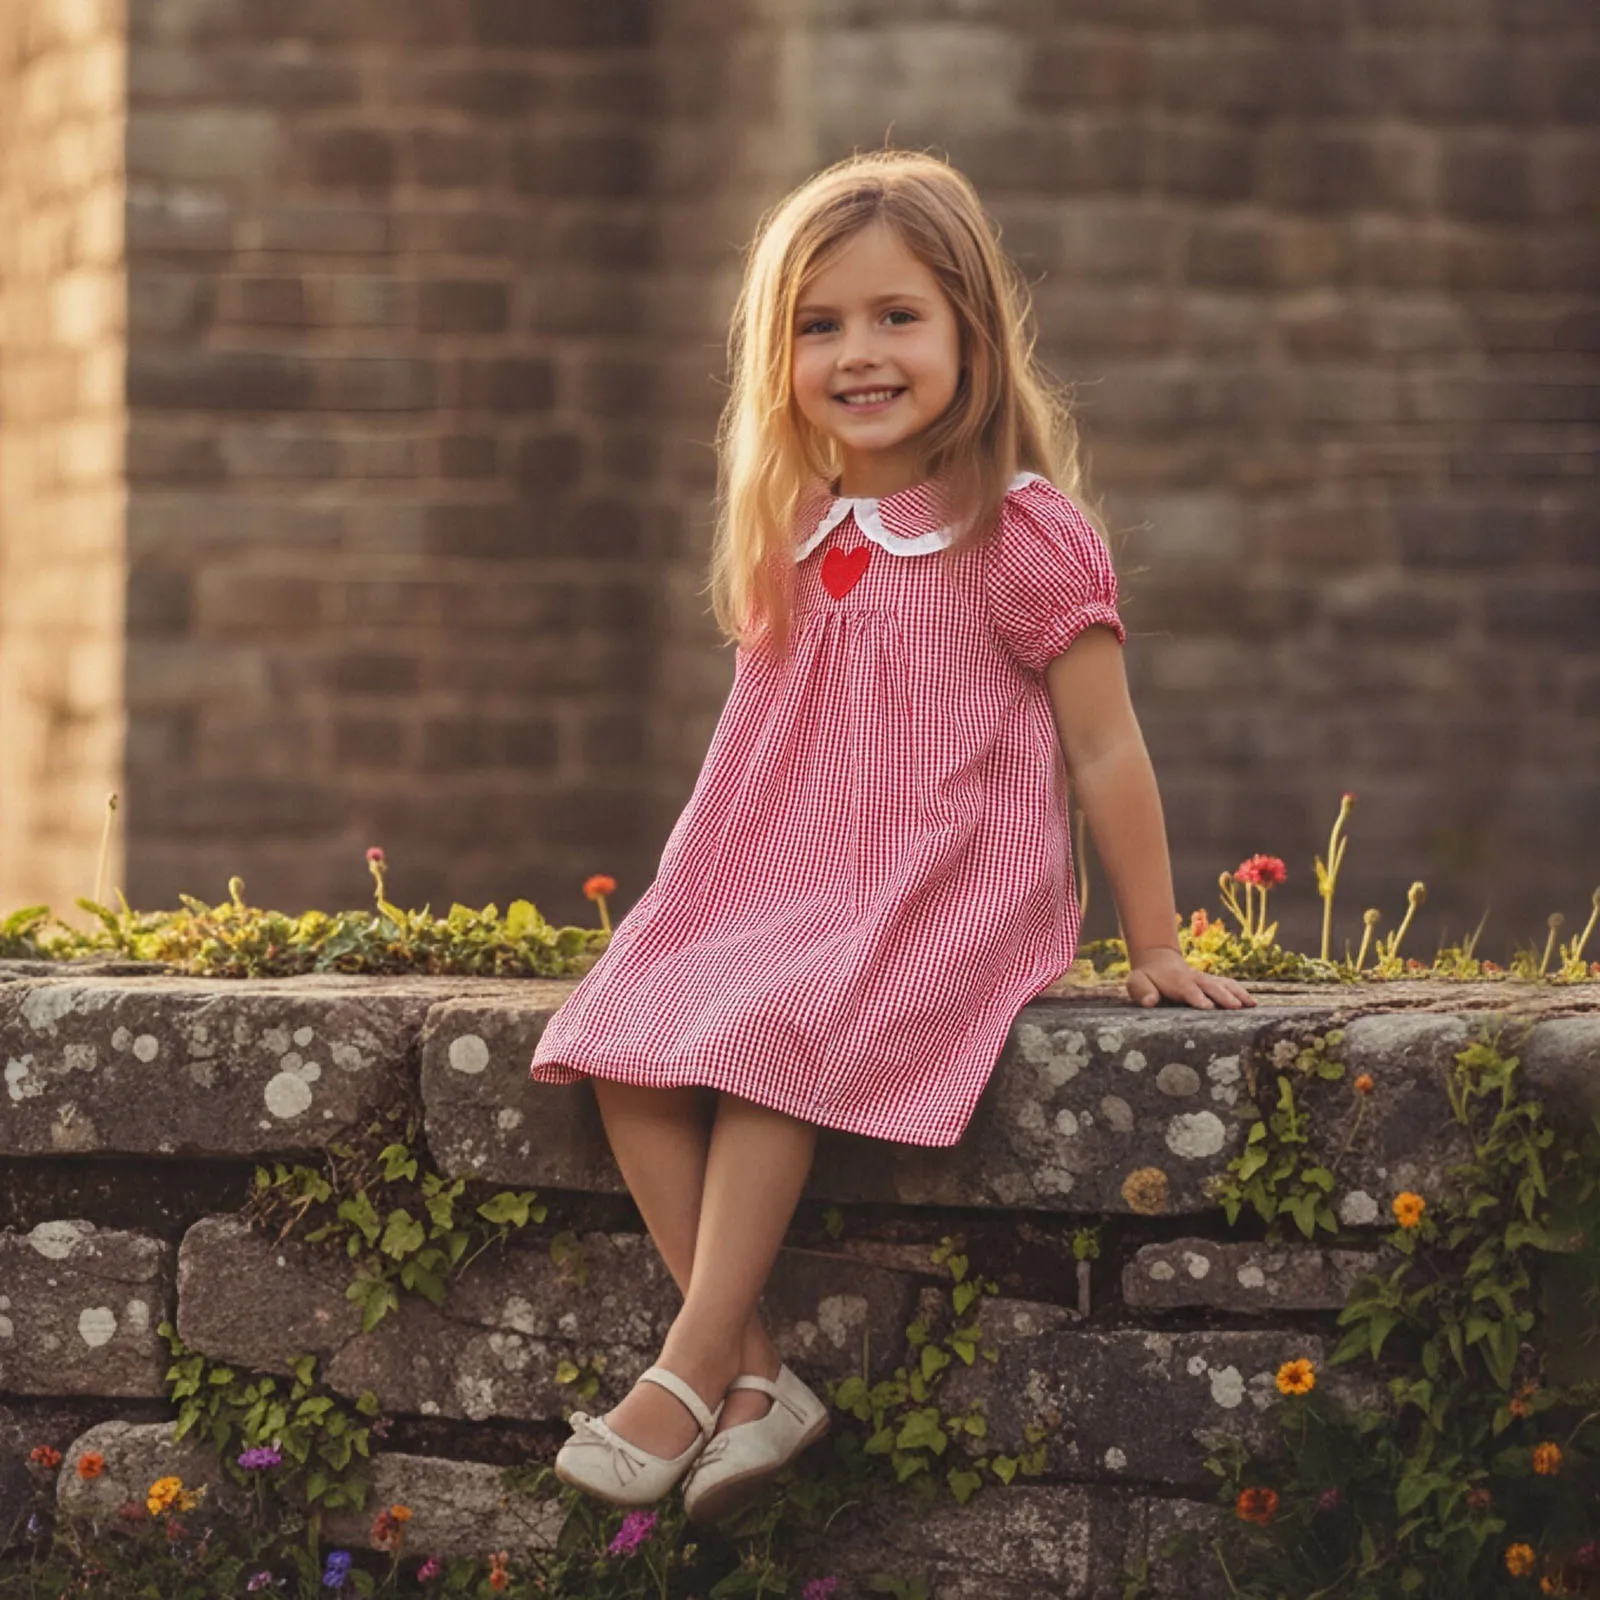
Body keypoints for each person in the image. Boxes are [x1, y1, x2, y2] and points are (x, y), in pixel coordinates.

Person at [527, 148, 1257, 1520]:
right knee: (628, 1034)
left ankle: (685, 1372)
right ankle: (754, 1381)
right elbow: (772, 745)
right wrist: (713, 903)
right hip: (784, 872)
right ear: (778, 354)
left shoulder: (1024, 532)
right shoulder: (794, 527)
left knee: (771, 1035)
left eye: (896, 316)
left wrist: (1152, 938)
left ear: (971, 335)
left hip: (944, 882)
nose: (858, 353)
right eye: (820, 325)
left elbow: (1106, 745)